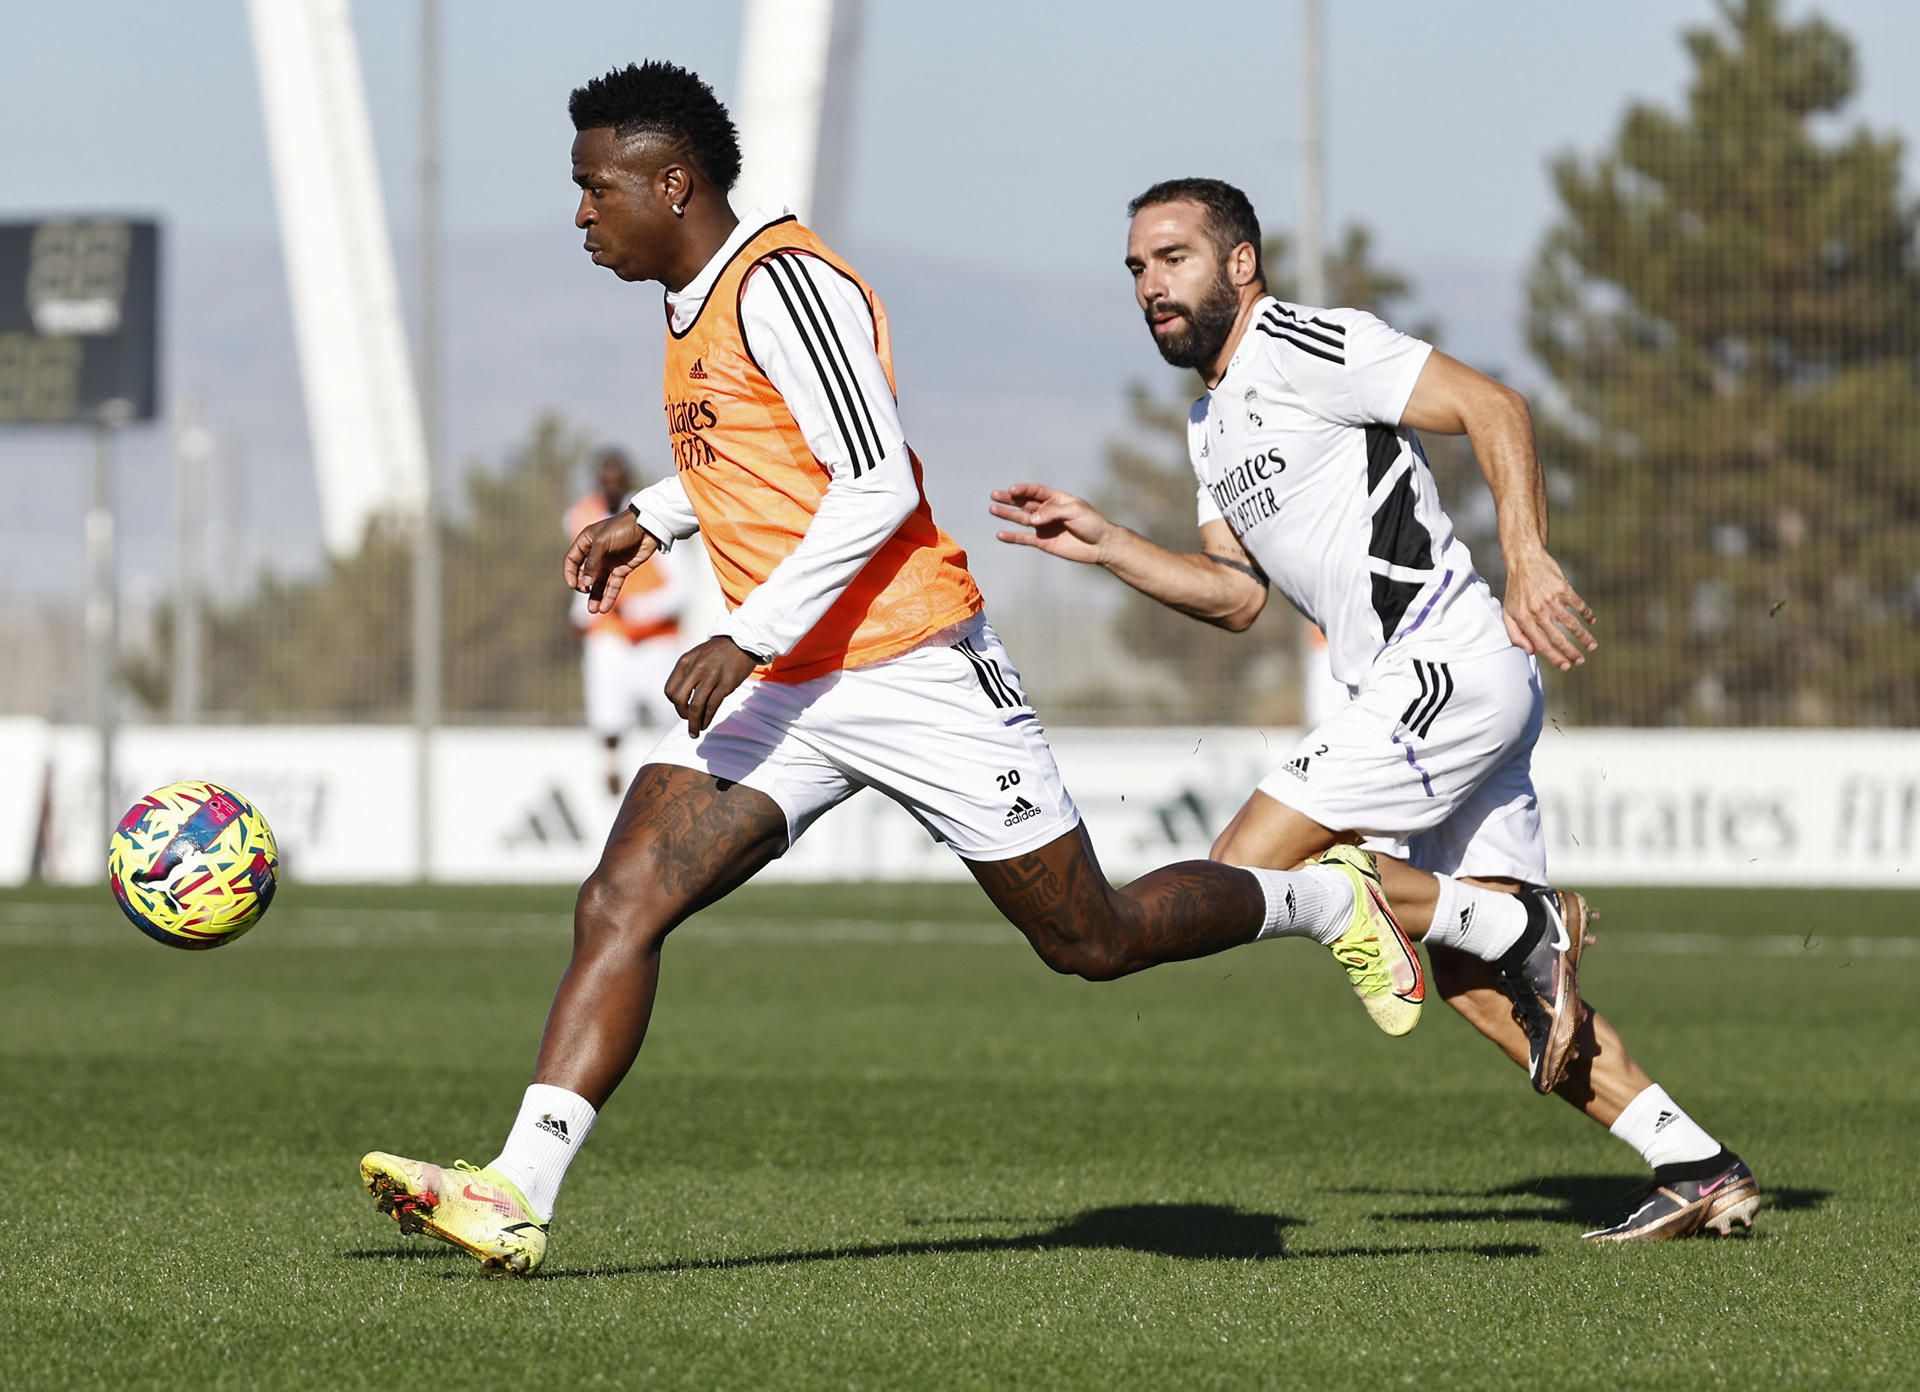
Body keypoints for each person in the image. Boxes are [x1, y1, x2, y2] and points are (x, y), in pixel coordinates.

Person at [355, 64, 1573, 1275]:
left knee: (1092, 941)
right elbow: (767, 459)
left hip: (912, 665)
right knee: (622, 898)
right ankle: (516, 1190)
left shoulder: (783, 284)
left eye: (593, 188)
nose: (578, 213)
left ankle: (1332, 901)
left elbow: (877, 480)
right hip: (796, 684)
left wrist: (748, 630)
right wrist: (656, 517)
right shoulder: (695, 304)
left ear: (671, 185)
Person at [990, 178, 1759, 1243]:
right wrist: (1110, 542)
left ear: (1242, 264)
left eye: (1174, 258)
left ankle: (1520, 922)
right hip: (1425, 690)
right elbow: (1237, 596)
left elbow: (1496, 407)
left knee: (1250, 864)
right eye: (1135, 268)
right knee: (1481, 990)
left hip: (1444, 663)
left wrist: (1529, 561)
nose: (1151, 285)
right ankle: (1694, 1160)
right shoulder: (1210, 424)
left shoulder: (1304, 343)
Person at [566, 446, 690, 795]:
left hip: (656, 637)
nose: (611, 486)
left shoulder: (653, 513)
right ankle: (611, 769)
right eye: (604, 479)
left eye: (617, 479)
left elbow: (682, 587)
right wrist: (578, 615)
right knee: (606, 697)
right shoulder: (582, 515)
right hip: (613, 634)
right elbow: (587, 578)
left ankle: (674, 773)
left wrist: (636, 611)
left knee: (669, 715)